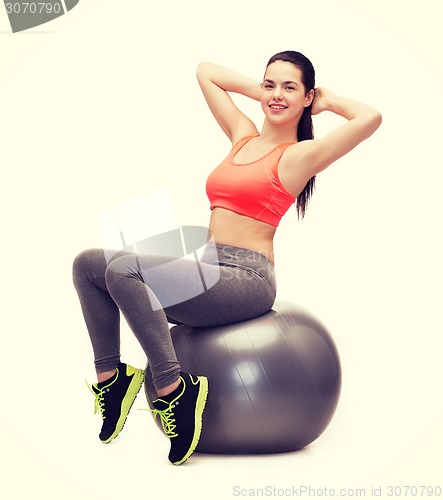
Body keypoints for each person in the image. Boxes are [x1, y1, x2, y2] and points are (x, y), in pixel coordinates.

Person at [72, 50, 382, 465]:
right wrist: (269, 94)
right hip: (208, 270)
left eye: (290, 87)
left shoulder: (299, 157)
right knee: (89, 264)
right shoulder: (243, 135)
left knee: (126, 271)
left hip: (248, 280)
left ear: (307, 97)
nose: (276, 94)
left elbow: (370, 118)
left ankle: (173, 391)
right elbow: (207, 73)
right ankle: (112, 380)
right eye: (270, 83)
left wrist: (325, 100)